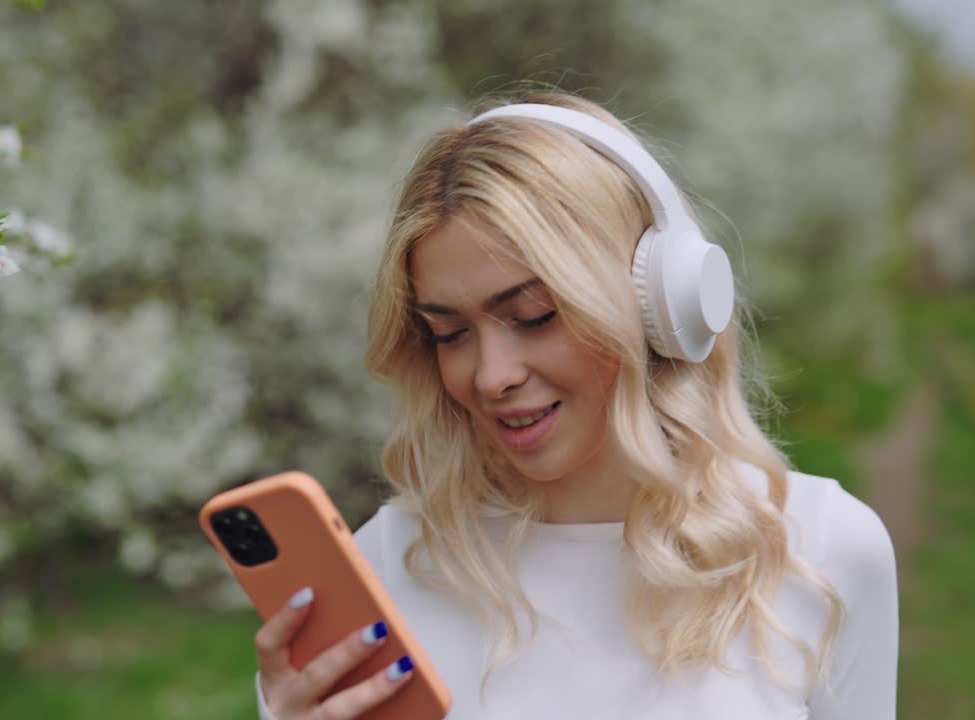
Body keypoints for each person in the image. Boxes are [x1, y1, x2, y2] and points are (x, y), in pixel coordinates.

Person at [251, 91, 898, 719]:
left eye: (534, 316)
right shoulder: (388, 569)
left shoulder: (824, 550)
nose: (491, 377)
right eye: (449, 333)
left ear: (659, 304)